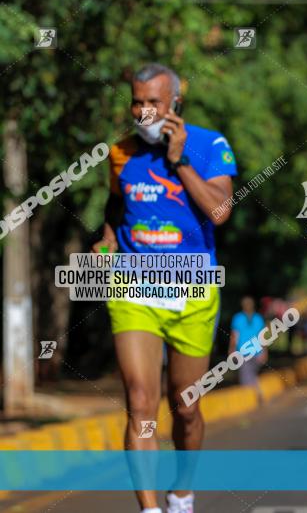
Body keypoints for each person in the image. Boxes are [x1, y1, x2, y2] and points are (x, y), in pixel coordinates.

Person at [92, 63, 237, 513]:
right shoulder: (120, 153)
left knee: (186, 406)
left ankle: (181, 493)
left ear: (175, 103)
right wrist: (108, 237)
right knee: (140, 402)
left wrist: (180, 161)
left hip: (193, 290)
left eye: (153, 102)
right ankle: (150, 509)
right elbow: (117, 207)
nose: (143, 110)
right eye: (137, 101)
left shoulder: (210, 144)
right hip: (134, 288)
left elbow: (220, 212)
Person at [229, 296, 267, 401]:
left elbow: (234, 337)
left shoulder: (237, 318)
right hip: (257, 352)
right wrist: (264, 352)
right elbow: (262, 337)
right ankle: (258, 392)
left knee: (246, 378)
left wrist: (231, 351)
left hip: (243, 353)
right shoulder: (258, 318)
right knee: (252, 375)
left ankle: (253, 397)